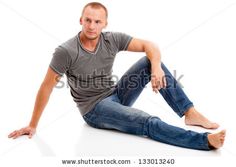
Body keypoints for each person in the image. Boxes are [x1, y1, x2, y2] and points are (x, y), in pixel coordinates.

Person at [8, 2, 225, 150]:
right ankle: (203, 141)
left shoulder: (112, 39)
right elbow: (46, 87)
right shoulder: (66, 51)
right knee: (145, 120)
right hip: (95, 109)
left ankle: (190, 112)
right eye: (88, 20)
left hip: (117, 95)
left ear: (105, 23)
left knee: (150, 61)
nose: (92, 26)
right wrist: (33, 124)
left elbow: (150, 45)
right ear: (81, 21)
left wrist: (156, 67)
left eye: (97, 21)